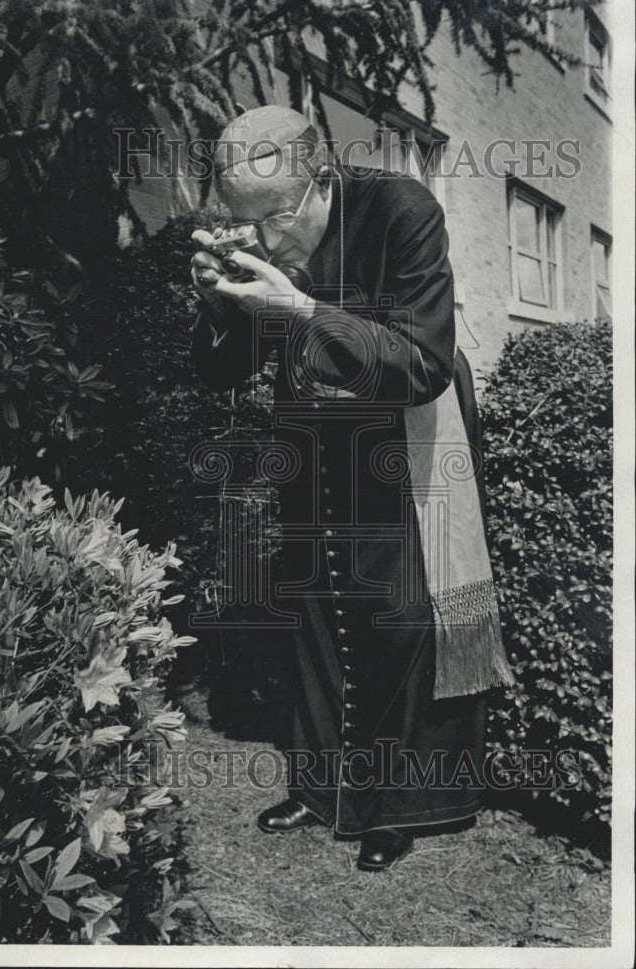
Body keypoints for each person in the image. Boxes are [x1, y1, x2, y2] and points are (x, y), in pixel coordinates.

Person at [190, 105, 514, 872]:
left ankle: (398, 807)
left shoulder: (401, 209)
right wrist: (216, 305)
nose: (264, 242)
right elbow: (221, 372)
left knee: (400, 614)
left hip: (407, 437)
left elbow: (421, 361)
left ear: (321, 183)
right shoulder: (270, 232)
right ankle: (322, 786)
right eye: (242, 225)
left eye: (274, 220)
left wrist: (300, 310)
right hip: (314, 438)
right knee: (314, 603)